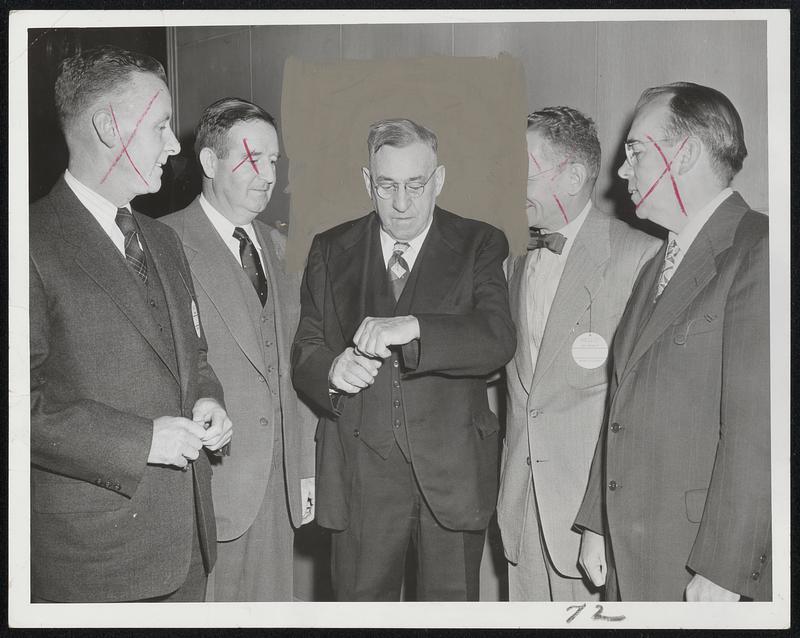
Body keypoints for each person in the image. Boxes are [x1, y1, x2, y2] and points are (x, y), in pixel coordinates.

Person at [29, 45, 232, 602]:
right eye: (162, 125)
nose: (174, 144)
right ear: (108, 125)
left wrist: (207, 400)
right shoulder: (28, 243)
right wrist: (142, 440)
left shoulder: (162, 239)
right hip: (94, 564)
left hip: (187, 547)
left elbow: (195, 357)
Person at [291, 118, 516, 601]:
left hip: (453, 477)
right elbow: (306, 346)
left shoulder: (480, 242)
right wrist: (331, 369)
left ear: (439, 180)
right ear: (367, 182)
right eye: (387, 185)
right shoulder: (330, 249)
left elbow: (497, 338)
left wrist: (414, 326)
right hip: (360, 478)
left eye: (416, 185)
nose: (401, 203)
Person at [575, 82, 771, 601]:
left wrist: (725, 569)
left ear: (684, 156)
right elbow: (624, 401)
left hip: (695, 559)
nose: (621, 170)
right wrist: (598, 520)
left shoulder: (760, 249)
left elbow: (761, 430)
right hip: (633, 548)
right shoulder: (658, 264)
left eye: (636, 151)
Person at [496, 107, 659, 601]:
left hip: (592, 525)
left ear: (571, 177)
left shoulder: (640, 257)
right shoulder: (512, 259)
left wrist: (602, 522)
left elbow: (644, 411)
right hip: (520, 512)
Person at [162, 98, 317, 601]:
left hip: (281, 484)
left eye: (274, 162)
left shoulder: (282, 247)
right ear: (209, 163)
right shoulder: (163, 241)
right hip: (211, 484)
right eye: (252, 160)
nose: (268, 175)